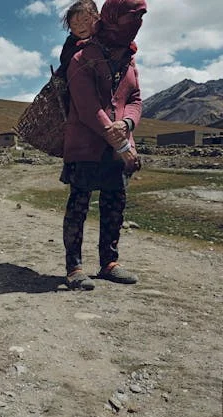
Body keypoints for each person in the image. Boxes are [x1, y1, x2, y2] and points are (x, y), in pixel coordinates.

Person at [61, 0, 147, 290]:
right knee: (79, 204)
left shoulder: (129, 60)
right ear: (113, 19)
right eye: (131, 17)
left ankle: (109, 262)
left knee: (114, 203)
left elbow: (134, 99)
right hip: (86, 144)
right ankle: (74, 267)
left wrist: (128, 124)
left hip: (118, 144)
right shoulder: (81, 57)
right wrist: (111, 132)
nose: (136, 24)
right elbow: (86, 106)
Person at [55, 0, 99, 81]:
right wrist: (82, 46)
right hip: (76, 79)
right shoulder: (71, 41)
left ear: (97, 17)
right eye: (75, 24)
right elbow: (64, 60)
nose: (80, 26)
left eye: (85, 20)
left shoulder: (104, 33)